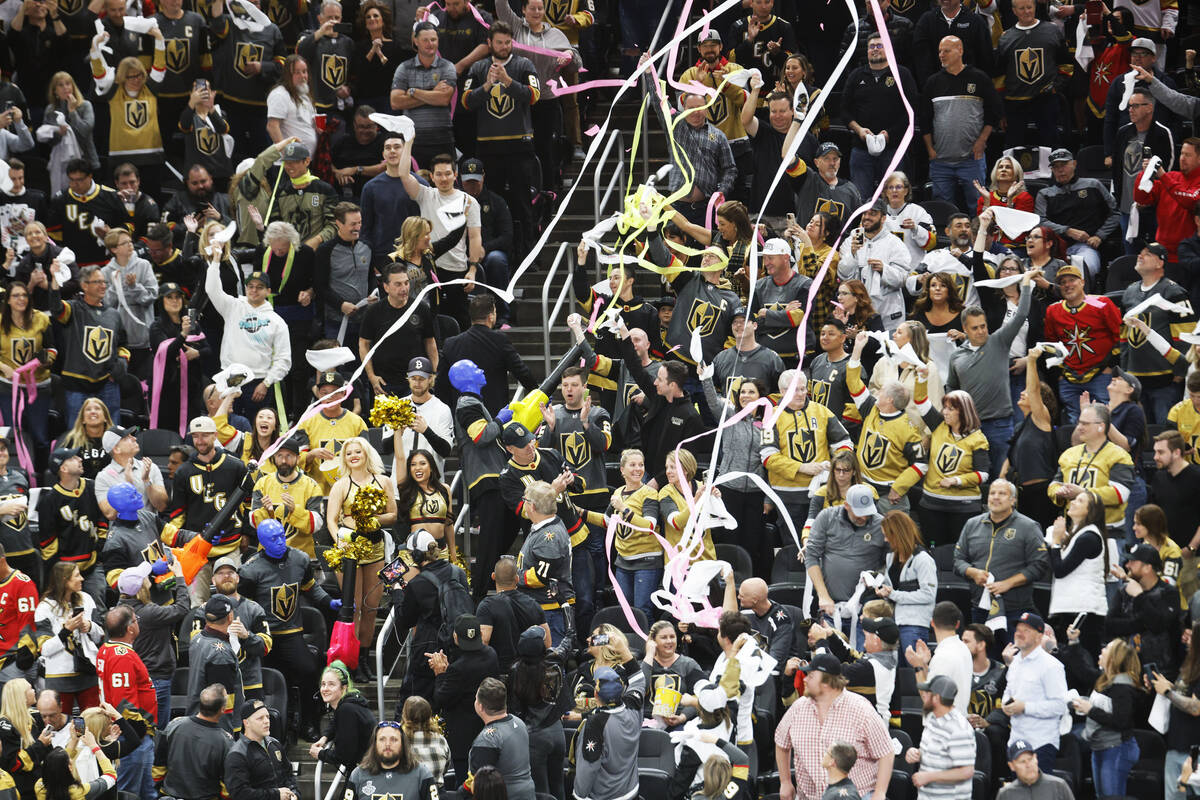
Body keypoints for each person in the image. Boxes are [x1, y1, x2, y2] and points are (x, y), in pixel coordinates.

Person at [461, 22, 541, 255]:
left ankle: (528, 255)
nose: (504, 47)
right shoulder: (477, 68)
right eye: (499, 42)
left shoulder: (524, 65)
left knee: (523, 204)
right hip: (488, 147)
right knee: (489, 206)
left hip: (520, 146)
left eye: (508, 42)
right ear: (490, 43)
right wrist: (487, 84)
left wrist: (507, 80)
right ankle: (493, 252)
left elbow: (534, 96)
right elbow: (466, 102)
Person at [774, 652, 894, 800]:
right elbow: (781, 743)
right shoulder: (798, 708)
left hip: (856, 796)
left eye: (811, 676)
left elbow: (886, 752)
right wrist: (785, 782)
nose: (805, 680)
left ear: (826, 682)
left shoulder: (861, 709)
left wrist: (880, 793)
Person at [326, 437, 398, 670]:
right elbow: (331, 520)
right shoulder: (341, 485)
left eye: (358, 451)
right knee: (354, 606)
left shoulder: (383, 481)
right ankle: (351, 659)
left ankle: (365, 658)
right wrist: (341, 540)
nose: (354, 456)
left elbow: (393, 515)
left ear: (367, 454)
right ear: (344, 458)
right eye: (349, 453)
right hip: (350, 551)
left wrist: (372, 520)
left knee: (371, 606)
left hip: (376, 549)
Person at [162, 416, 250, 603]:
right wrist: (175, 540)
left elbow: (248, 503)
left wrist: (247, 533)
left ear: (215, 436)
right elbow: (178, 512)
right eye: (196, 436)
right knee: (196, 604)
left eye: (205, 435)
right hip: (197, 548)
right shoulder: (183, 472)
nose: (200, 441)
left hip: (229, 545)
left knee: (233, 600)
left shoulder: (235, 466)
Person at [203, 246, 292, 419]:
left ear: (268, 291)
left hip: (258, 381)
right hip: (230, 379)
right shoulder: (233, 307)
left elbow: (284, 359)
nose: (254, 290)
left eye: (260, 287)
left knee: (255, 428)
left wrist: (266, 383)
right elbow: (211, 290)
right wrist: (215, 261)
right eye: (250, 286)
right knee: (227, 424)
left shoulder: (277, 322)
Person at [954, 479, 1049, 635]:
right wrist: (973, 572)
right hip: (980, 607)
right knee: (982, 658)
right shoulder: (972, 524)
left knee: (1013, 656)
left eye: (1002, 493)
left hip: (1015, 608)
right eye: (992, 493)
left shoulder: (1028, 527)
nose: (995, 497)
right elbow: (958, 560)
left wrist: (1008, 584)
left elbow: (1040, 565)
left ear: (1013, 500)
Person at [919, 36, 1002, 209]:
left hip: (972, 158)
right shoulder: (933, 82)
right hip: (940, 160)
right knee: (942, 207)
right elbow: (924, 118)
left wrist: (982, 141)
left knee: (978, 206)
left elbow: (994, 112)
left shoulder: (979, 78)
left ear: (960, 51)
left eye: (947, 50)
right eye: (940, 51)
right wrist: (930, 150)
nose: (942, 55)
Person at [911, 369, 991, 545]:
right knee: (934, 551)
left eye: (951, 409)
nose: (945, 412)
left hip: (964, 507)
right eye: (944, 407)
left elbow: (983, 474)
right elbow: (920, 401)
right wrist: (922, 378)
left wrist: (956, 481)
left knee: (958, 554)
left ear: (963, 412)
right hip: (931, 504)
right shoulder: (938, 425)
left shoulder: (978, 439)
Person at [846, 334, 925, 512]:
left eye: (881, 391)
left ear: (889, 400)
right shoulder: (871, 409)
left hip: (890, 497)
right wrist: (857, 349)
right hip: (863, 487)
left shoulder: (908, 430)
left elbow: (921, 463)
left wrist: (900, 487)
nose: (877, 393)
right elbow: (853, 383)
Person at [1061, 634, 1144, 798]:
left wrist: (1090, 710)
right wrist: (1074, 642)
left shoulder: (1122, 687)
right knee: (1102, 796)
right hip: (1100, 746)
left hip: (1116, 748)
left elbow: (1121, 721)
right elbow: (1082, 670)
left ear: (1114, 658)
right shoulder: (1105, 680)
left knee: (1112, 797)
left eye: (1107, 648)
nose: (1102, 650)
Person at [95, 603, 156, 798]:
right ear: (130, 628)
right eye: (136, 620)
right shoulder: (123, 656)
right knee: (129, 792)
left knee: (147, 790)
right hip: (130, 735)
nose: (138, 623)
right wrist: (137, 733)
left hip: (126, 732)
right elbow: (124, 703)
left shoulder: (106, 648)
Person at [436, 295, 537, 413]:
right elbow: (522, 372)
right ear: (490, 317)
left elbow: (441, 384)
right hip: (495, 416)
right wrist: (538, 393)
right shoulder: (500, 340)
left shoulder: (451, 344)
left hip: (462, 416)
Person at [1048, 402, 1135, 534]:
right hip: (1072, 529)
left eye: (1085, 424)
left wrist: (1083, 493)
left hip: (1107, 532)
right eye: (1079, 423)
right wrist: (1060, 493)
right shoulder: (1068, 454)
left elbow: (1119, 494)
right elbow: (1054, 484)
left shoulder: (1119, 455)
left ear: (1101, 427)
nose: (1080, 427)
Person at [431, 613, 500, 781]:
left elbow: (441, 699)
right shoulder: (491, 654)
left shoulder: (458, 668)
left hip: (463, 737)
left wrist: (440, 674)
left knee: (465, 783)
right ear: (480, 634)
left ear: (455, 636)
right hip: (489, 730)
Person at [1000, 612, 1069, 774]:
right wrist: (1006, 705)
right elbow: (1008, 691)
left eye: (1027, 630)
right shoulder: (1016, 662)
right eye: (1018, 629)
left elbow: (1059, 706)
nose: (1019, 633)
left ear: (1039, 637)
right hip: (1016, 743)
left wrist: (1025, 707)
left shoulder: (1051, 666)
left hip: (1041, 744)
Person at [1046, 490, 1111, 653]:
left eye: (1080, 501)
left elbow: (1060, 570)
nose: (1073, 502)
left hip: (1085, 610)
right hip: (1073, 607)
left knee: (1083, 663)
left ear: (1090, 511)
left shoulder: (1089, 537)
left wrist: (1055, 541)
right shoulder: (1079, 535)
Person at [35, 562, 102, 713]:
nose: (82, 579)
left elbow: (100, 636)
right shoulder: (45, 607)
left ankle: (86, 738)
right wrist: (66, 630)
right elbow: (44, 649)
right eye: (77, 575)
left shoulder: (87, 599)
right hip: (60, 677)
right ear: (64, 580)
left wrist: (89, 626)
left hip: (88, 673)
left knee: (92, 723)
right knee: (62, 725)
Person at [570, 664, 643, 800]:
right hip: (632, 792)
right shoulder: (635, 708)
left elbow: (588, 767)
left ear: (596, 694)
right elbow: (639, 681)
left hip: (605, 796)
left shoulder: (594, 724)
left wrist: (578, 796)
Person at [837, 198, 911, 333]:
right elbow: (842, 275)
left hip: (886, 313)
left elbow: (903, 279)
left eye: (873, 213)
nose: (867, 217)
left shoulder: (895, 243)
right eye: (865, 213)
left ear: (883, 218)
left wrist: (884, 269)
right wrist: (852, 254)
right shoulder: (851, 240)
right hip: (857, 314)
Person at [1108, 543, 1182, 676]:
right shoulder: (1124, 591)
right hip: (1127, 668)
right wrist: (1142, 623)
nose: (1127, 565)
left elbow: (1159, 625)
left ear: (1148, 568)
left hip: (1162, 670)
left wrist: (1139, 596)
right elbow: (1110, 626)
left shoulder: (1168, 593)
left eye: (1133, 562)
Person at [153, 683, 234, 800]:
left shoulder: (174, 725)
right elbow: (227, 788)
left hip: (169, 796)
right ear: (223, 709)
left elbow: (158, 767)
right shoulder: (226, 742)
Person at [876, 511, 937, 663]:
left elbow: (928, 594)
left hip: (915, 624)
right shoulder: (891, 558)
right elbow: (892, 588)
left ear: (898, 533)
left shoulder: (923, 559)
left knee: (913, 670)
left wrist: (894, 595)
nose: (885, 539)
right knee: (899, 674)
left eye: (887, 535)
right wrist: (882, 589)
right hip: (895, 622)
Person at [905, 674, 976, 797]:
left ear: (936, 698)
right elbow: (937, 752)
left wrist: (929, 777)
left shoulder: (959, 729)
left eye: (927, 693)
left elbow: (966, 771)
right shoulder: (932, 718)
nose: (923, 695)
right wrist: (916, 753)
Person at [465, 677, 536, 800]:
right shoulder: (519, 723)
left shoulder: (486, 740)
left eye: (476, 699)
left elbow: (478, 785)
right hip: (528, 794)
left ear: (480, 707)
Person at [904, 601, 972, 716]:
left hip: (944, 728)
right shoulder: (963, 649)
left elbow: (929, 700)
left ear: (932, 623)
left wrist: (917, 666)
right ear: (957, 624)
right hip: (957, 723)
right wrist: (925, 665)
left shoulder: (943, 656)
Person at [224, 699, 298, 800]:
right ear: (246, 723)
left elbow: (288, 774)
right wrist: (276, 795)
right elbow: (239, 794)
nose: (267, 721)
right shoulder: (237, 754)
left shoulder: (274, 743)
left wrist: (294, 793)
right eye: (260, 718)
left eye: (267, 716)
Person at [345, 721, 438, 800]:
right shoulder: (358, 775)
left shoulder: (421, 774)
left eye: (394, 739)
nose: (388, 744)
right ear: (374, 744)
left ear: (403, 744)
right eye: (382, 739)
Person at [310, 662, 376, 772]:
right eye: (323, 684)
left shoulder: (346, 710)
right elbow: (335, 721)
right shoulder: (350, 704)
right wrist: (325, 737)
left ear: (343, 687)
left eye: (331, 684)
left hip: (369, 773)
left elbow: (344, 755)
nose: (325, 689)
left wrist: (320, 754)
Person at [94, 424, 168, 519]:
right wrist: (127, 486)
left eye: (132, 436)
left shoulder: (150, 467)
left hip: (150, 530)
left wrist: (146, 481)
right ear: (116, 449)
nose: (135, 439)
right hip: (122, 532)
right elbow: (110, 514)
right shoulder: (103, 477)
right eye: (127, 438)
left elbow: (162, 506)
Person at [32, 737, 116, 800]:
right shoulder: (80, 791)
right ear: (70, 767)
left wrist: (74, 740)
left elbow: (57, 765)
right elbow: (111, 776)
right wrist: (94, 746)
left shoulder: (39, 787)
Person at [996, 739, 1075, 800]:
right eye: (1022, 762)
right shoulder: (1006, 794)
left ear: (1036, 758)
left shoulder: (1059, 786)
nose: (1028, 765)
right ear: (1012, 766)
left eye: (1030, 759)